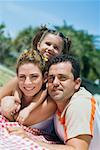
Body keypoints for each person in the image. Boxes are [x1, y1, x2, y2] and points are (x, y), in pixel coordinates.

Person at [8, 54, 100, 150]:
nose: (55, 83)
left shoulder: (80, 104)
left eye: (63, 78)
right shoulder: (57, 99)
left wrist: (31, 140)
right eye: (52, 78)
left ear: (77, 83)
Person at [0, 26, 71, 101]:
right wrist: (16, 95)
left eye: (56, 47)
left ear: (61, 54)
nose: (50, 48)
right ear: (38, 45)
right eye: (48, 44)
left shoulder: (56, 77)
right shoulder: (28, 64)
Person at [0, 49, 57, 133]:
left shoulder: (50, 101)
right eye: (22, 76)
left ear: (45, 78)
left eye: (34, 76)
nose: (27, 83)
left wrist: (5, 107)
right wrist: (15, 97)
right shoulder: (16, 83)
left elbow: (19, 121)